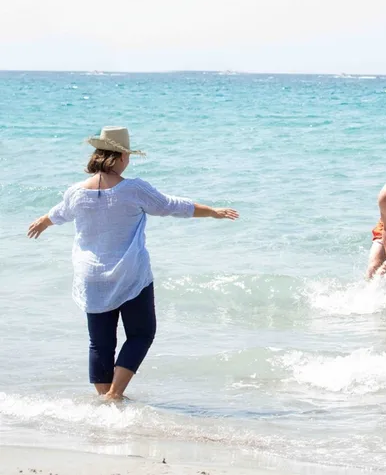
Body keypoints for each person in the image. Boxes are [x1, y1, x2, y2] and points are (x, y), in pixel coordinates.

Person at [26, 126, 239, 401]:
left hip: (91, 277)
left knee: (99, 343)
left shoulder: (76, 192)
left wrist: (42, 222)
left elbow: (58, 213)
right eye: (127, 155)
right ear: (120, 157)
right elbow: (172, 205)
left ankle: (104, 400)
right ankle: (115, 394)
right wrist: (212, 212)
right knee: (141, 334)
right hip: (129, 274)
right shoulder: (133, 189)